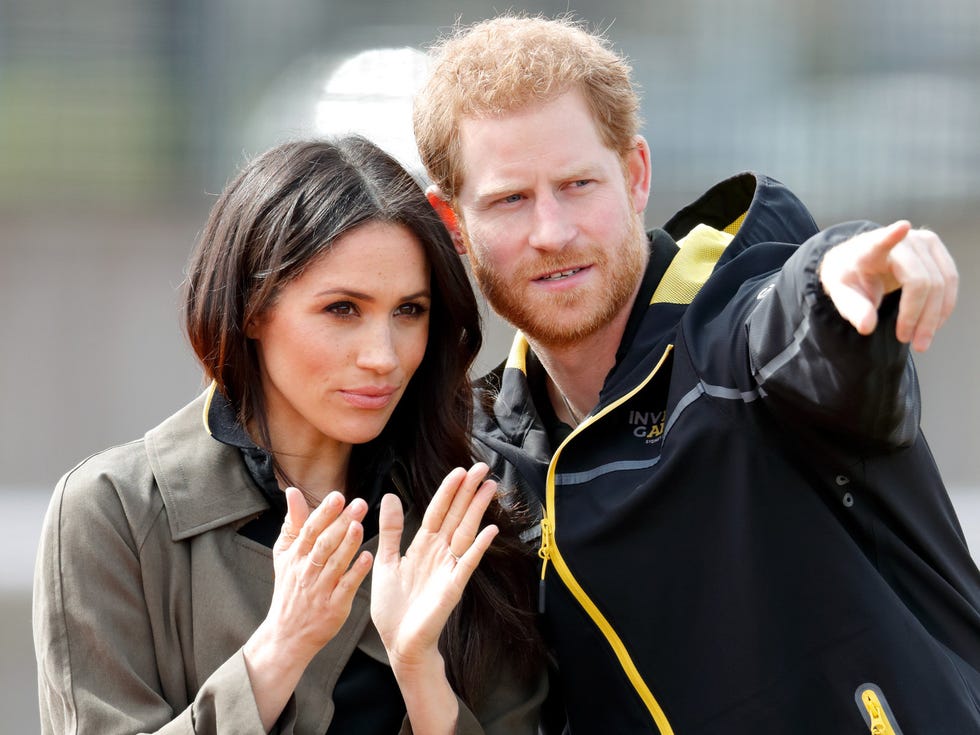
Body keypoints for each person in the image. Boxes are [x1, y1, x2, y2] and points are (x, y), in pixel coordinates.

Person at [413, 13, 980, 734]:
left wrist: (839, 275)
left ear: (635, 175)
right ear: (453, 222)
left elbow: (794, 321)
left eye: (578, 183)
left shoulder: (734, 335)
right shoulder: (486, 465)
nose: (552, 232)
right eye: (509, 200)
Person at [32, 136, 546, 734]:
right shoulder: (114, 514)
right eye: (342, 309)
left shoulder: (464, 505)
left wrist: (418, 668)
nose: (383, 357)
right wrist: (279, 647)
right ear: (252, 308)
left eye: (409, 311)